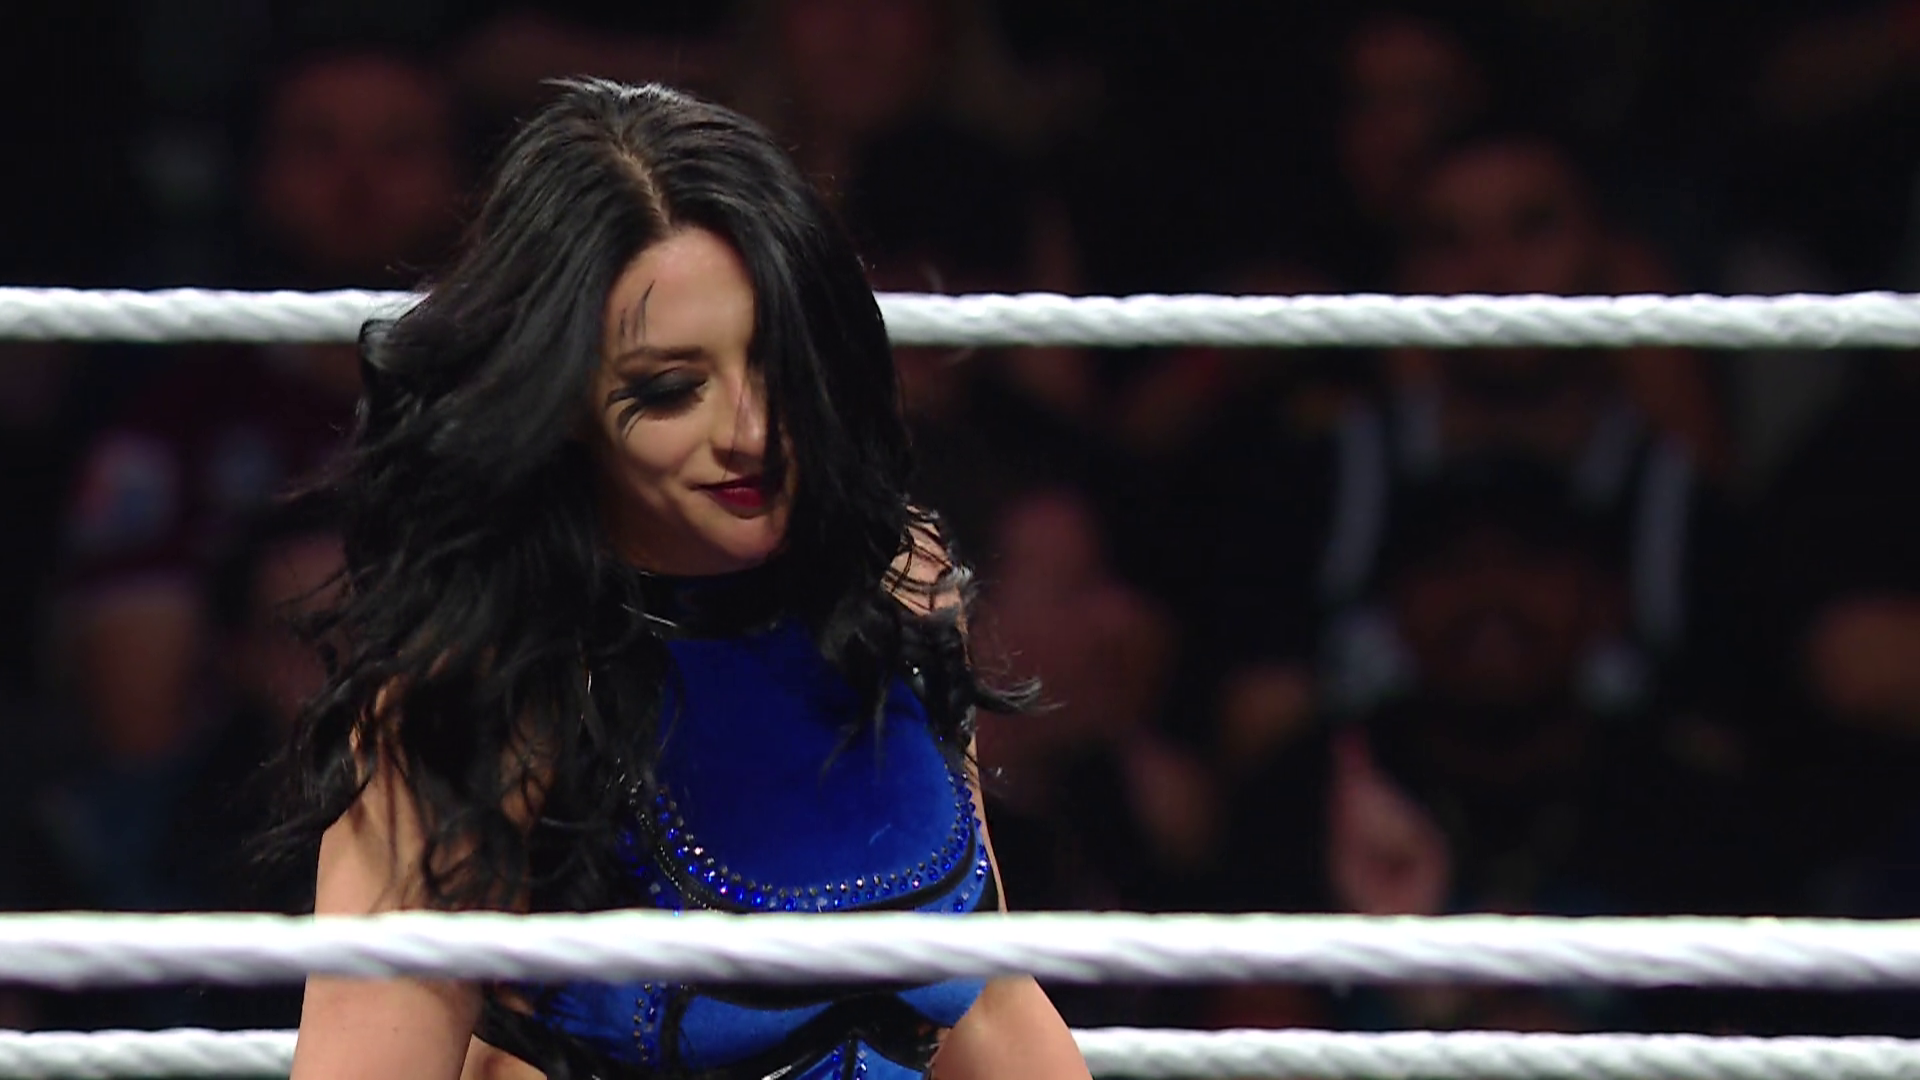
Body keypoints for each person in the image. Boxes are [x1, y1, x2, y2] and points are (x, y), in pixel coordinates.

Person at [271, 80, 1090, 1080]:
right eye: (669, 389)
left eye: (783, 364)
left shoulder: (894, 585)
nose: (752, 431)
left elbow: (988, 1000)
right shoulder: (485, 688)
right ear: (562, 399)